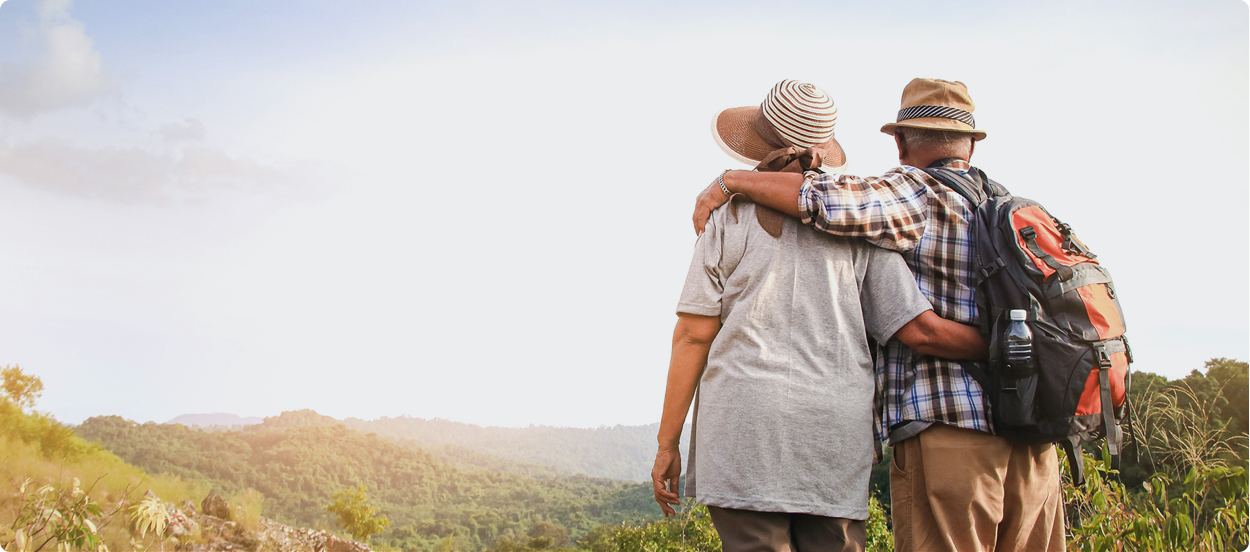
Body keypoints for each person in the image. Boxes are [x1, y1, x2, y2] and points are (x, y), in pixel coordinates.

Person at [689, 78, 1066, 552]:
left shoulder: (910, 192)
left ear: (901, 141)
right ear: (970, 144)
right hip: (1034, 438)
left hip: (951, 428)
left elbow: (818, 199)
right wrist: (1024, 353)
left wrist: (733, 180)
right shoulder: (1010, 207)